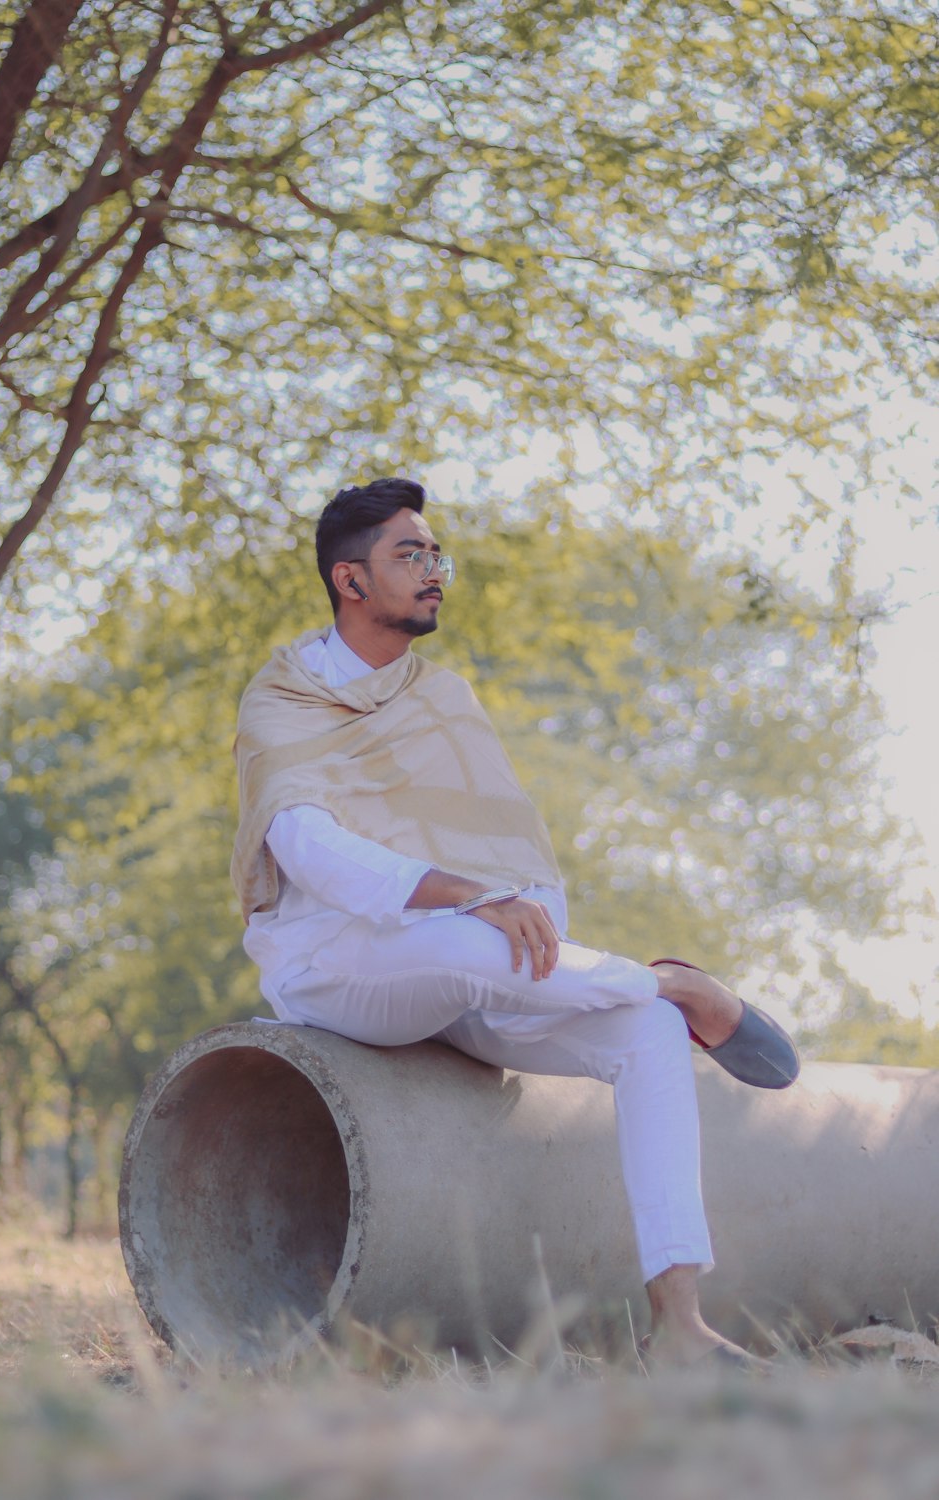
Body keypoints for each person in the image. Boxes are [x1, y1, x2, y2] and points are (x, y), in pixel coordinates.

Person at [231, 476, 799, 1370]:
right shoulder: (283, 699)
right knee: (478, 942)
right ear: (349, 580)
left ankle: (679, 1322)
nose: (434, 571)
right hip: (340, 968)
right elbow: (309, 851)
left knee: (645, 1032)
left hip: (481, 972)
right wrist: (469, 897)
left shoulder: (443, 697)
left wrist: (511, 920)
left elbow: (511, 855)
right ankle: (677, 983)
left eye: (435, 553)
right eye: (409, 554)